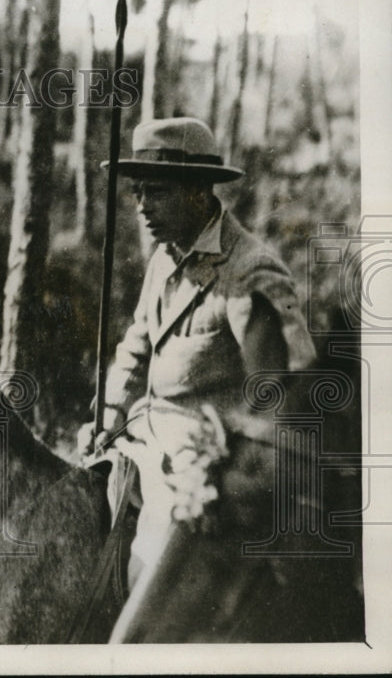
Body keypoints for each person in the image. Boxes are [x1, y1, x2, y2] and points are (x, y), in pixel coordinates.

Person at [77, 116, 348, 642]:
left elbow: (280, 400)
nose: (140, 206)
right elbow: (137, 342)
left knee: (146, 581)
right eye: (137, 191)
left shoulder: (250, 273)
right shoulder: (165, 255)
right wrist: (104, 416)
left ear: (200, 193)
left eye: (156, 192)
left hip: (196, 479)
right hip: (136, 443)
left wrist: (223, 476)